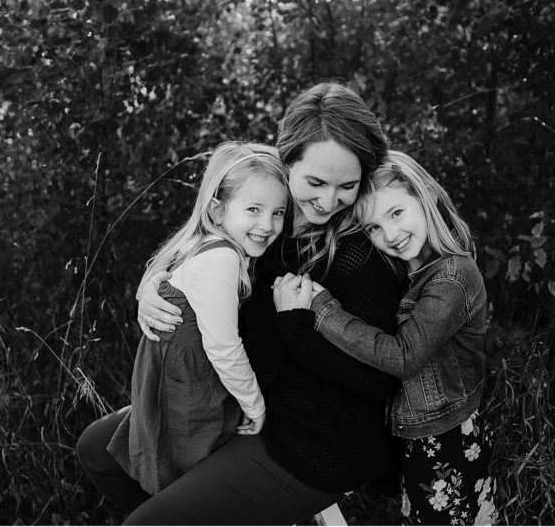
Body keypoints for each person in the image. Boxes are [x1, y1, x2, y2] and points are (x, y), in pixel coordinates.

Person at [77, 82, 405, 525]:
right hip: (240, 401)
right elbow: (198, 254)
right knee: (97, 450)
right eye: (314, 182)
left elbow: (380, 382)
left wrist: (298, 327)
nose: (329, 201)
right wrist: (151, 286)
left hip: (311, 439)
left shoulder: (362, 255)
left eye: (347, 185)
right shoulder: (265, 219)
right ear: (284, 162)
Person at [272, 150, 498, 526]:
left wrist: (324, 311)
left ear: (423, 197)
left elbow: (403, 357)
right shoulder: (411, 268)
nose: (390, 235)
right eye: (374, 228)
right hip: (420, 437)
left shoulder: (452, 277)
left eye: (396, 214)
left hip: (446, 440)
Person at [102, 141, 289, 497]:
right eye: (253, 209)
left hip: (174, 381)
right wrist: (255, 405)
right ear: (217, 211)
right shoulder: (223, 258)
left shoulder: (207, 245)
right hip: (188, 389)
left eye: (278, 212)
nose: (267, 224)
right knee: (188, 483)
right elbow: (224, 346)